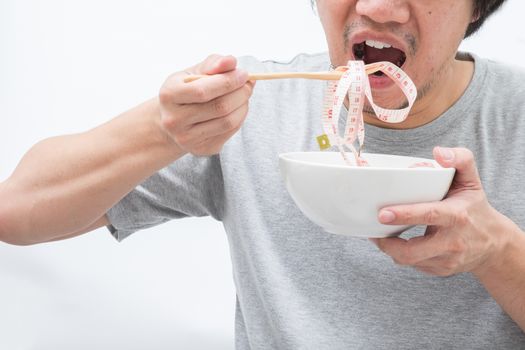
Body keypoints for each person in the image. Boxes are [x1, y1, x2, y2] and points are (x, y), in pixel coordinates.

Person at [1, 0, 524, 348]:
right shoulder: (253, 109)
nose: (376, 6)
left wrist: (497, 251)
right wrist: (162, 133)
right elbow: (16, 213)